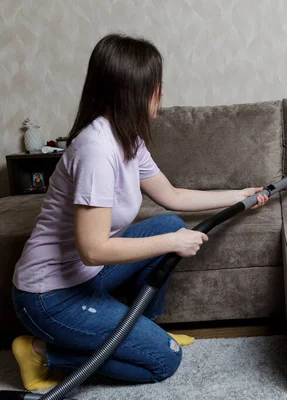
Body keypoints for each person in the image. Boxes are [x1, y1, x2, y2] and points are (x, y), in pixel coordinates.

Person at [11, 34, 269, 390]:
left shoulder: (128, 139)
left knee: (168, 222)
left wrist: (239, 194)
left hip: (85, 275)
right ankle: (42, 352)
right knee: (164, 359)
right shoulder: (96, 151)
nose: (162, 94)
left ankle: (141, 329)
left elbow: (173, 195)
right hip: (50, 297)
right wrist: (172, 242)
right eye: (157, 87)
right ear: (135, 91)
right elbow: (94, 249)